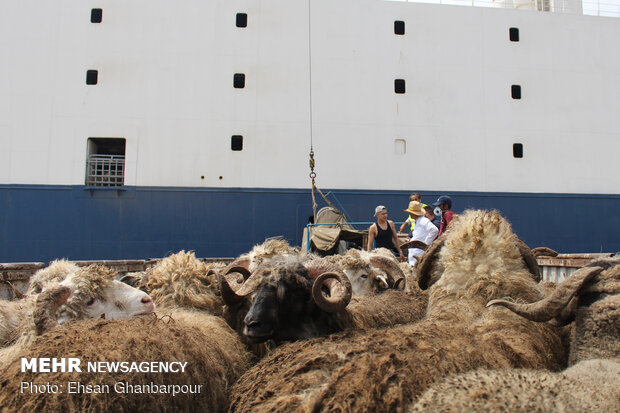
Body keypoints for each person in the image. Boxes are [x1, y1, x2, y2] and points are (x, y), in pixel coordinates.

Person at [404, 201, 438, 265]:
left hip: (418, 255)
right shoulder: (419, 221)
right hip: (415, 255)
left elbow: (434, 230)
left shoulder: (423, 220)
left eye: (410, 213)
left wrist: (425, 244)